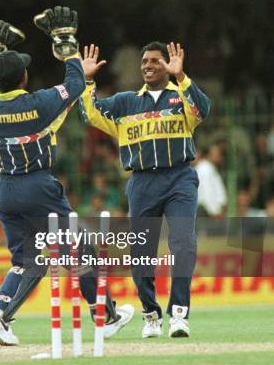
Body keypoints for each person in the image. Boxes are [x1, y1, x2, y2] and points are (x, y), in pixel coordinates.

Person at [0, 7, 134, 346]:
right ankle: (105, 316)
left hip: (5, 190)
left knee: (27, 259)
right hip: (37, 187)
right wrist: (66, 44)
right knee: (81, 248)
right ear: (23, 79)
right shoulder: (38, 104)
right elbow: (74, 84)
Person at [79, 42, 212, 338]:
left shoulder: (181, 97)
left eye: (155, 60)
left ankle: (179, 314)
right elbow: (90, 115)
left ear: (167, 65)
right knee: (141, 253)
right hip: (141, 182)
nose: (148, 65)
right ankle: (150, 315)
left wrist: (182, 78)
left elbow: (204, 109)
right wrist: (87, 81)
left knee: (183, 244)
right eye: (144, 61)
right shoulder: (125, 102)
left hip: (180, 178)